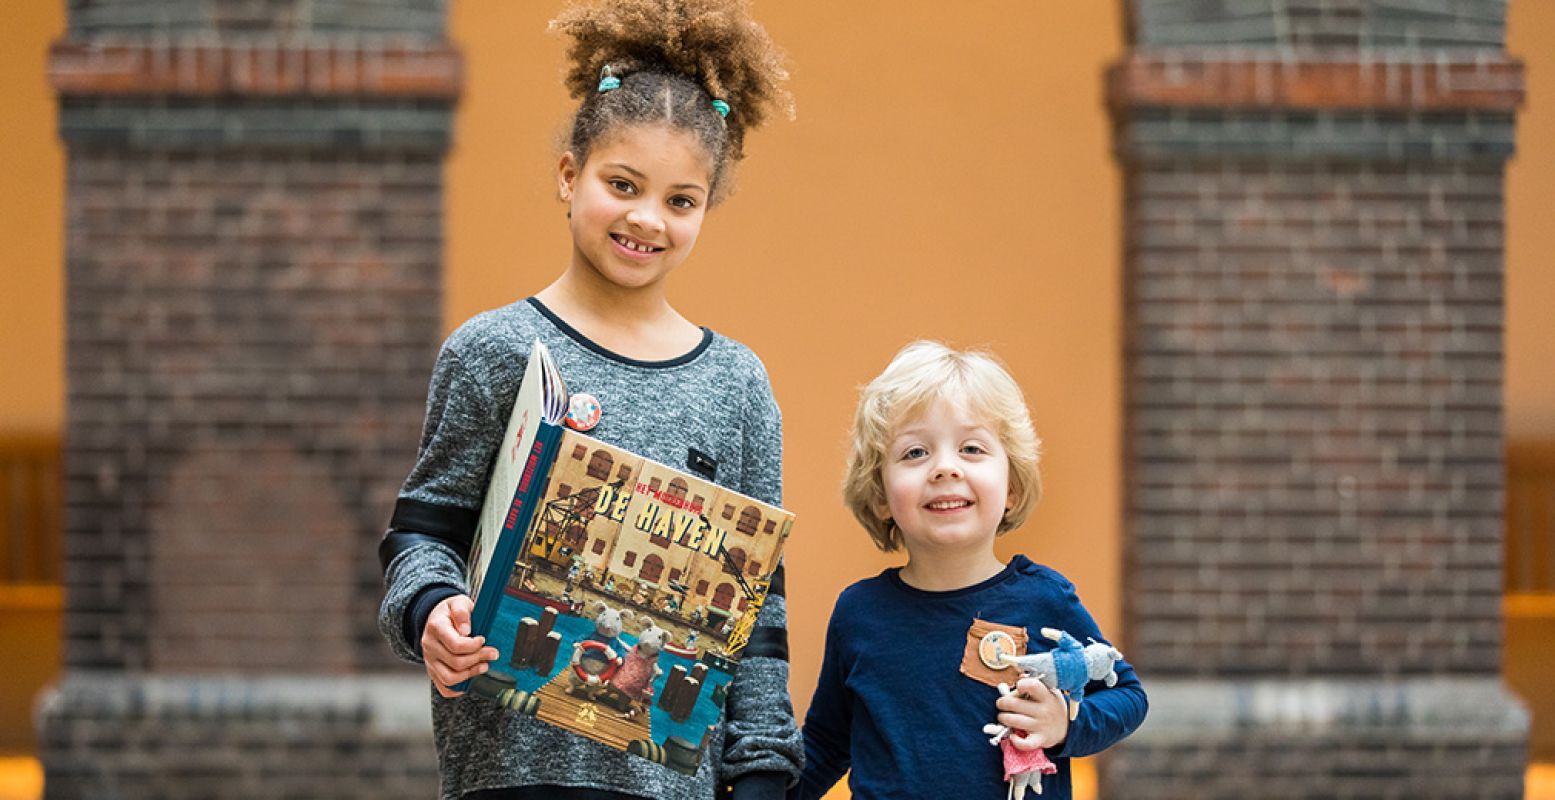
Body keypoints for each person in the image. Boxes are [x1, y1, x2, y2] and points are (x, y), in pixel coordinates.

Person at [375, 1, 800, 798]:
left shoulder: (738, 387)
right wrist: (430, 610)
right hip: (508, 772)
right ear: (569, 176)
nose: (647, 218)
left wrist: (764, 773)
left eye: (680, 200)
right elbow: (419, 534)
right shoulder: (490, 351)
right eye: (622, 184)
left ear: (707, 208)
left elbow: (759, 618)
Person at [791, 342, 1148, 800]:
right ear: (880, 494)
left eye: (972, 448)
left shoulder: (1045, 599)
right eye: (915, 452)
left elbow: (1128, 696)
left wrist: (1066, 722)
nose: (944, 468)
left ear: (1012, 486)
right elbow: (825, 743)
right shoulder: (859, 613)